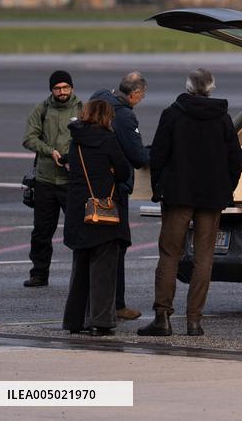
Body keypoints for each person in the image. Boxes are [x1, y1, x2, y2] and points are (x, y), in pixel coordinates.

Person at [138, 68, 242, 338]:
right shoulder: (222, 118)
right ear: (211, 87)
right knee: (204, 258)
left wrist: (159, 189)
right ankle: (194, 320)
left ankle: (162, 316)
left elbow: (158, 155)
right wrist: (226, 189)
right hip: (212, 197)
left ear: (188, 86)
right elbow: (235, 160)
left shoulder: (172, 114)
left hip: (178, 196)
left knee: (169, 255)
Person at [62, 99, 131, 337]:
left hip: (79, 210)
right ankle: (100, 321)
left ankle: (75, 320)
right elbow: (123, 171)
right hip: (103, 209)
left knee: (80, 268)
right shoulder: (108, 139)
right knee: (104, 269)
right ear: (106, 116)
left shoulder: (76, 141)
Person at [91, 72, 149, 322]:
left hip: (92, 188)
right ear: (134, 94)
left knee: (94, 249)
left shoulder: (99, 100)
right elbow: (138, 157)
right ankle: (117, 304)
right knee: (118, 246)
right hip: (115, 190)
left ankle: (95, 303)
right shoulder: (124, 116)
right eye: (141, 96)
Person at [22, 70, 82, 287]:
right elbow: (29, 138)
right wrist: (50, 152)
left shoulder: (82, 109)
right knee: (41, 231)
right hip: (45, 180)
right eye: (57, 88)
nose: (62, 91)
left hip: (71, 181)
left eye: (66, 87)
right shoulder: (42, 109)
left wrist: (72, 157)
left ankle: (82, 275)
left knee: (78, 230)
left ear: (72, 88)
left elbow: (93, 137)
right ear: (51, 90)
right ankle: (39, 273)